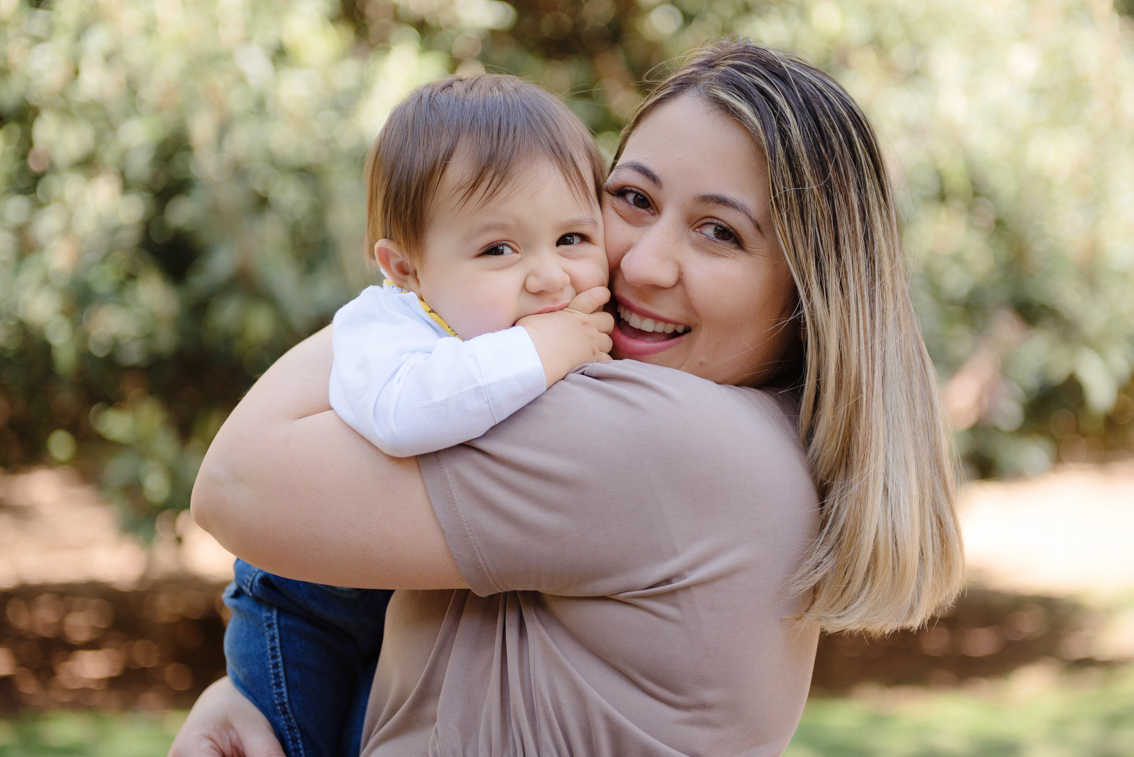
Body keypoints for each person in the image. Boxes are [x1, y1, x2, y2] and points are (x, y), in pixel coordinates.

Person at [172, 38, 965, 757]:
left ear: (810, 290)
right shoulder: (757, 441)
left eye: (720, 231)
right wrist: (258, 695)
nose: (645, 264)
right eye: (633, 200)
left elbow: (237, 483)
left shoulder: (661, 437)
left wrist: (419, 291)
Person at [220, 74, 615, 757]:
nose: (550, 275)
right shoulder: (385, 329)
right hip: (306, 604)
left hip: (394, 589)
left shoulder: (526, 328)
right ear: (404, 267)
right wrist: (540, 349)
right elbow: (410, 414)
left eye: (574, 236)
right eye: (499, 248)